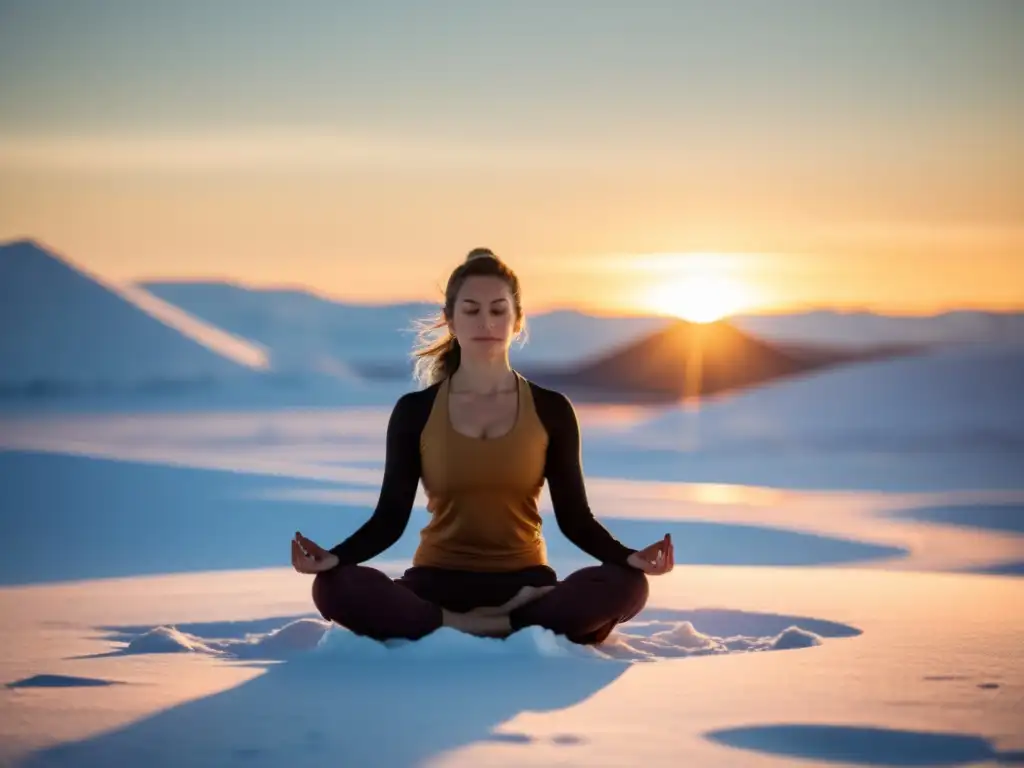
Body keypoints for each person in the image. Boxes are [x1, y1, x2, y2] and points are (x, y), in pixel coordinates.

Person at [291, 248, 675, 645]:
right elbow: (389, 519)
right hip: (433, 588)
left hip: (528, 592)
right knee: (334, 587)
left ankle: (450, 630)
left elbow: (575, 519)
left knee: (627, 585)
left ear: (517, 319)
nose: (486, 322)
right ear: (451, 319)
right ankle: (503, 630)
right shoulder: (416, 411)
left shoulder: (551, 409)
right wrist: (335, 559)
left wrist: (627, 557)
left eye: (498, 310)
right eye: (471, 310)